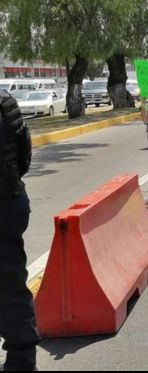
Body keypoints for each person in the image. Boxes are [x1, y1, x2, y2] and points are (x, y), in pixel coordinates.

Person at [0, 90, 40, 371]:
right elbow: (24, 151)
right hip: (12, 197)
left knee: (8, 285)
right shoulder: (6, 101)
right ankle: (22, 358)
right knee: (11, 281)